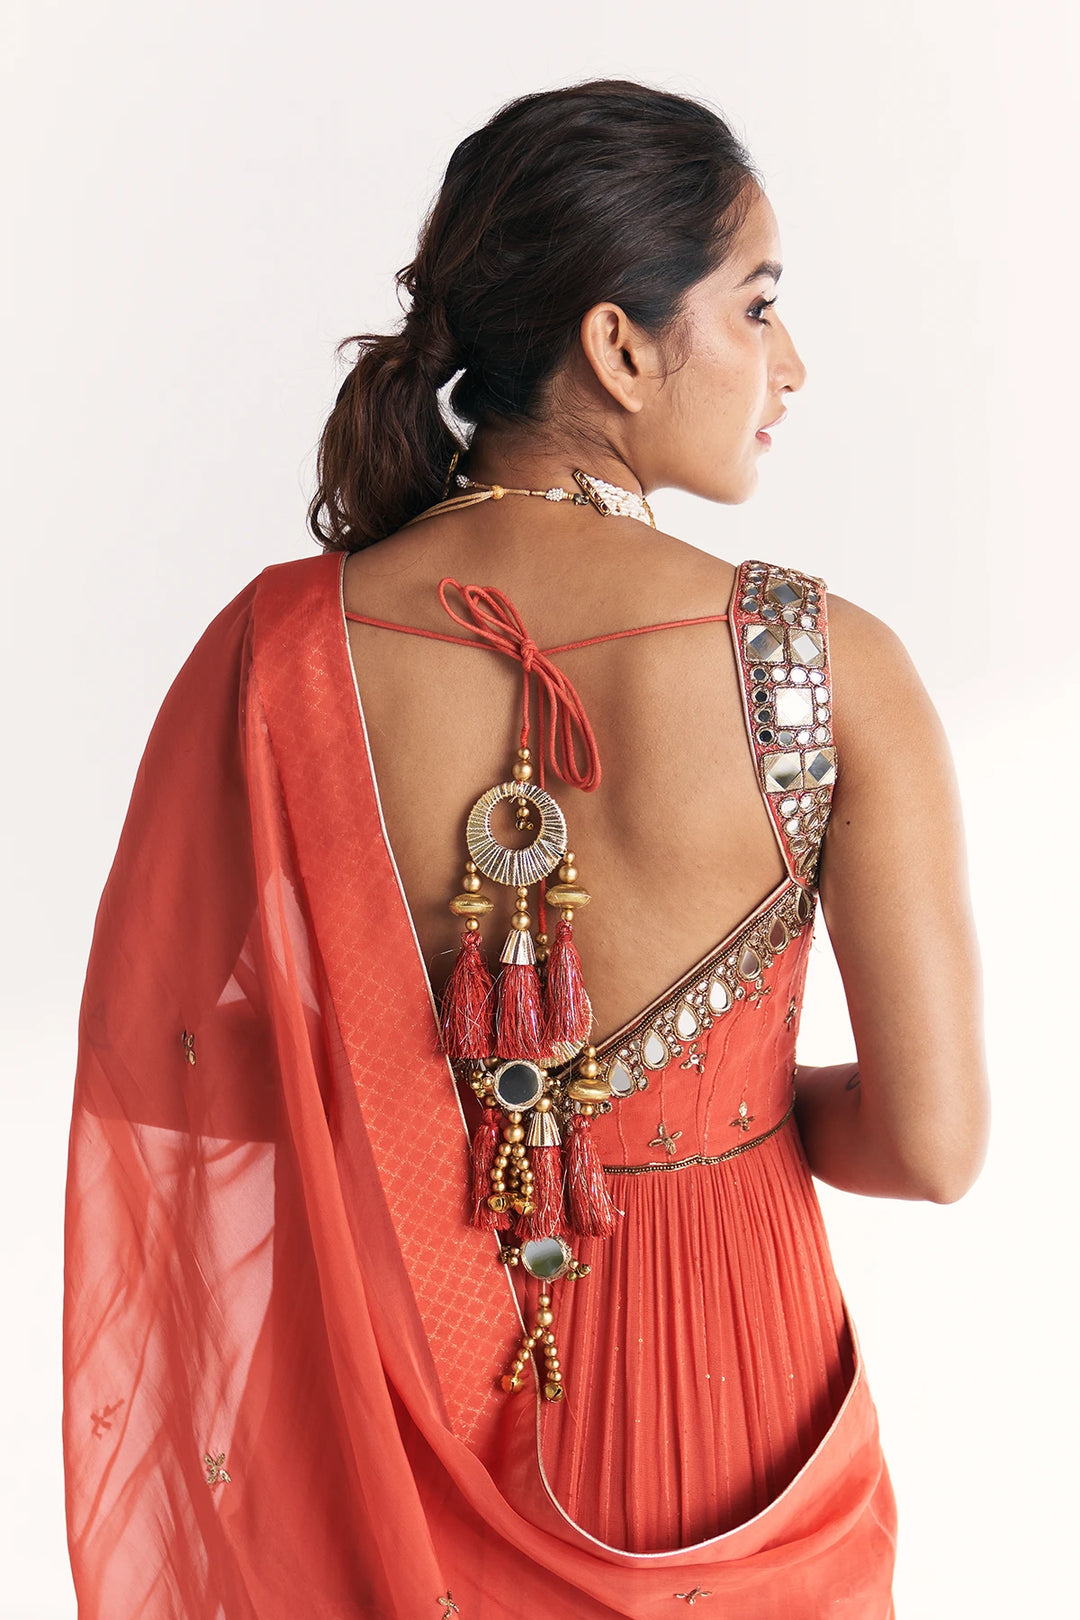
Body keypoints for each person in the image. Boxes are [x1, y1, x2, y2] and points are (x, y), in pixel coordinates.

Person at [62, 78, 989, 1619]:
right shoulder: (826, 665)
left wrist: (451, 1101)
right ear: (620, 348)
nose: (792, 363)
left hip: (396, 1380)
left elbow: (175, 1073)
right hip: (729, 1389)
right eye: (758, 307)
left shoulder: (279, 650)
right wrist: (717, 1109)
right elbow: (934, 1149)